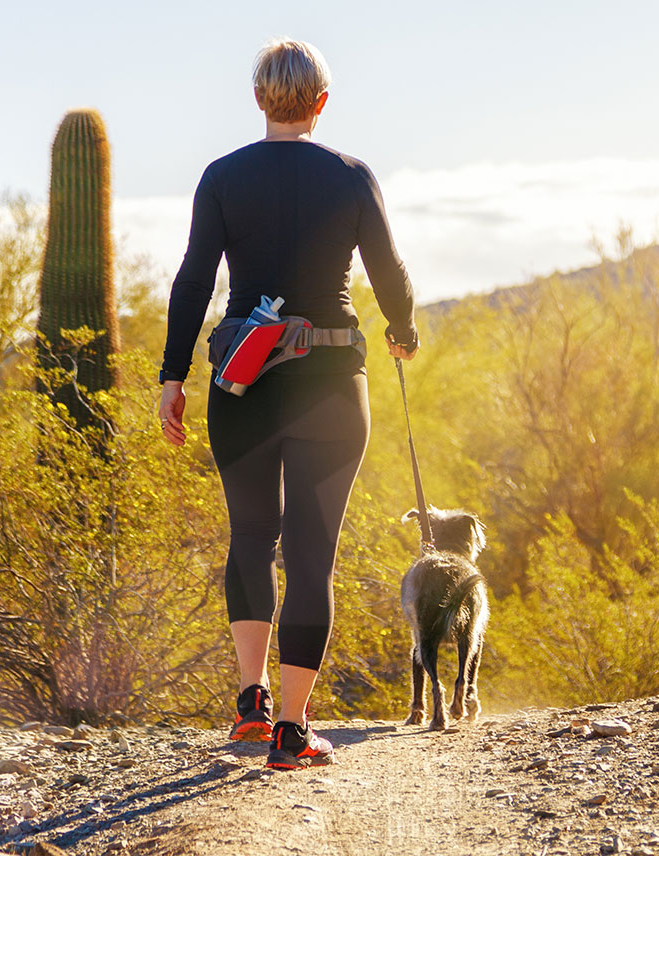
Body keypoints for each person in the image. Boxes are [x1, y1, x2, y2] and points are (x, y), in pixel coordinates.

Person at [158, 38, 418, 770]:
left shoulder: (221, 177)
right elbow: (388, 271)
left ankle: (250, 705)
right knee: (311, 556)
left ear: (258, 98)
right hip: (333, 381)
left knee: (250, 538)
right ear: (322, 102)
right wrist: (403, 332)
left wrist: (172, 376)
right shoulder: (351, 176)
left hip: (241, 383)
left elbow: (192, 281)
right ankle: (294, 732)